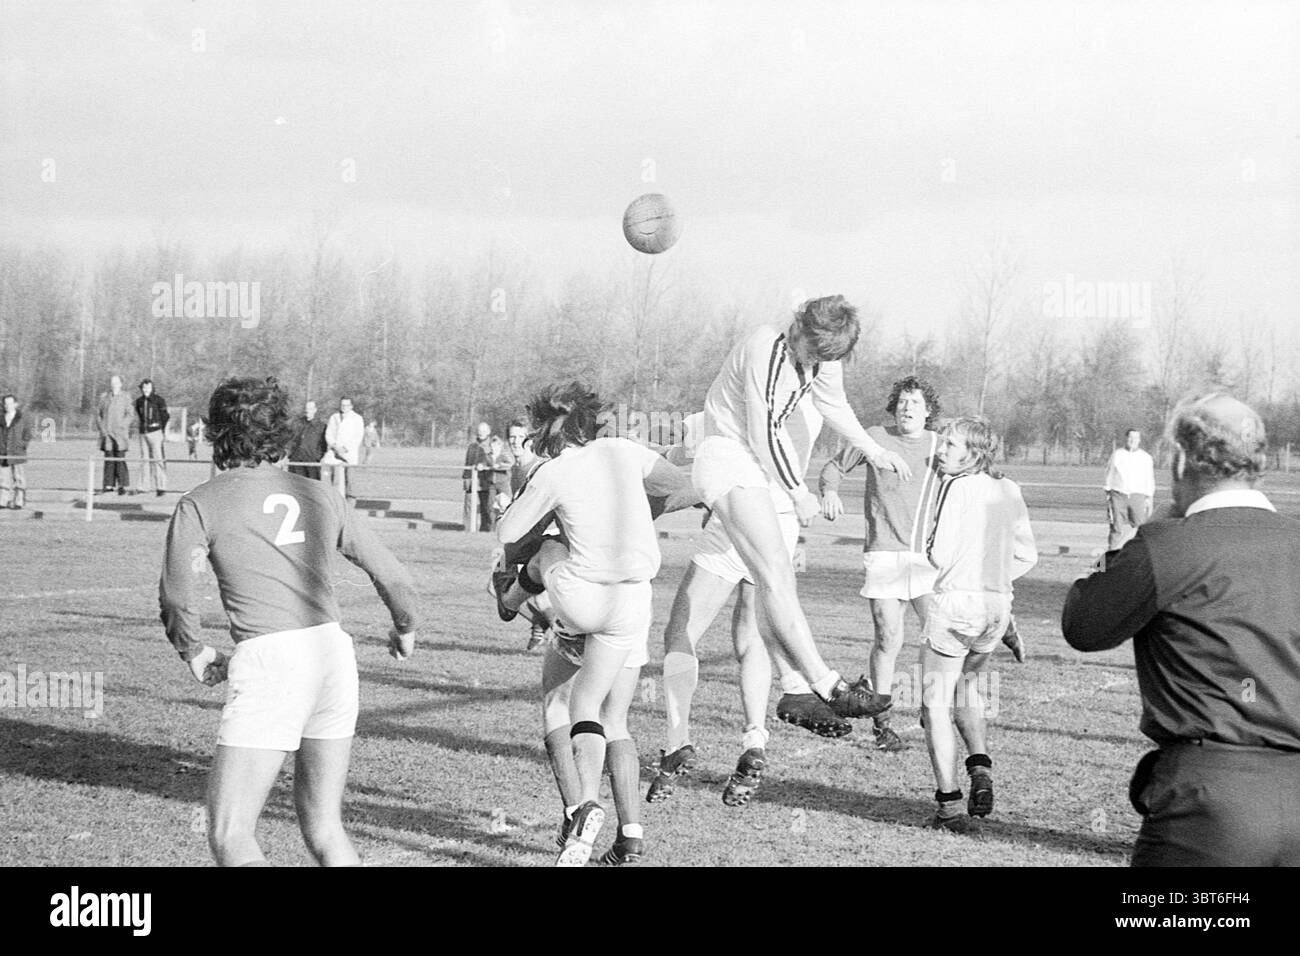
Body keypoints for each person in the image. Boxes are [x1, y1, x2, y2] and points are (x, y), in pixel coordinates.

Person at [158, 376, 420, 867]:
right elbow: (394, 577)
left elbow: (177, 598)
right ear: (279, 432)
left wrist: (193, 650)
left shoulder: (201, 501)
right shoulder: (321, 494)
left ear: (216, 432)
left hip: (272, 658)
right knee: (324, 828)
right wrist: (405, 627)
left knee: (230, 831)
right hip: (332, 656)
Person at [1063, 393, 1300, 866]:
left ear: (1181, 459)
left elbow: (1085, 625)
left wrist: (1156, 525)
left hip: (1211, 794)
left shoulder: (1169, 544)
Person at [494, 382, 695, 866]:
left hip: (584, 597)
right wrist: (635, 513)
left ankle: (581, 810)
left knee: (557, 704)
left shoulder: (554, 470)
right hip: (634, 598)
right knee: (615, 718)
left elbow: (508, 533)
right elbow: (684, 486)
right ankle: (630, 835)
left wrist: (538, 518)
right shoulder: (626, 450)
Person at [691, 295, 910, 730]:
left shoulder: (824, 357)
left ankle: (794, 688)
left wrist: (873, 449)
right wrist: (798, 490)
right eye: (810, 349)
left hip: (757, 466)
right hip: (729, 456)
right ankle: (829, 687)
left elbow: (833, 405)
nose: (812, 359)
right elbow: (764, 431)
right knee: (773, 571)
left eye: (823, 356)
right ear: (800, 327)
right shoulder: (766, 348)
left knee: (774, 581)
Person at [647, 404, 840, 810]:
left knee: (681, 632)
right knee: (751, 638)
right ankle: (754, 739)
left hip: (734, 524)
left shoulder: (728, 407)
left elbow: (673, 460)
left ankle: (676, 740)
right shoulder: (810, 412)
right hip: (780, 526)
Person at [922, 417, 1037, 832]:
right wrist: (994, 575)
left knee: (934, 704)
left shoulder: (955, 486)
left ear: (973, 453)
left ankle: (949, 804)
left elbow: (938, 553)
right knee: (969, 688)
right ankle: (980, 766)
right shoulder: (1009, 488)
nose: (941, 451)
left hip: (957, 604)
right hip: (996, 607)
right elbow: (1028, 555)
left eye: (951, 445)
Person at [819, 376, 944, 751]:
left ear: (928, 411)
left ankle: (931, 705)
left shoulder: (940, 445)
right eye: (903, 401)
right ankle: (883, 724)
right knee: (889, 638)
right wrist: (828, 492)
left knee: (939, 634)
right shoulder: (873, 437)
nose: (908, 408)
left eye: (916, 403)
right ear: (895, 406)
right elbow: (833, 469)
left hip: (927, 555)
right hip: (884, 553)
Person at [1103, 427, 1155, 550]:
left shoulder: (1145, 457)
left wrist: (1149, 497)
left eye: (1136, 438)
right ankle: (1112, 557)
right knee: (1116, 527)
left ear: (1139, 440)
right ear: (1126, 438)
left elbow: (1149, 478)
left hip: (1137, 495)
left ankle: (1139, 556)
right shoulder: (1117, 454)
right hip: (1118, 494)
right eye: (1130, 437)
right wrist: (1108, 492)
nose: (1133, 440)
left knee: (1140, 528)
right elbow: (1109, 474)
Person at [95, 374, 133, 495]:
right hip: (107, 434)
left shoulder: (126, 397)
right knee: (109, 459)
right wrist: (102, 429)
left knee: (120, 459)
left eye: (116, 383)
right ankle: (108, 485)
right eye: (112, 383)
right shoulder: (104, 397)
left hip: (120, 434)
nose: (114, 385)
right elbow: (98, 415)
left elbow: (130, 414)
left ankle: (122, 485)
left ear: (121, 384)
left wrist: (123, 425)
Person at [322, 397, 365, 499]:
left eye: (346, 405)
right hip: (335, 453)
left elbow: (358, 436)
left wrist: (345, 449)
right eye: (342, 405)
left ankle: (350, 505)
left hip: (349, 454)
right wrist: (334, 446)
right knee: (334, 480)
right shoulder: (334, 417)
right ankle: (336, 502)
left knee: (350, 480)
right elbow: (329, 434)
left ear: (351, 406)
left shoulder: (357, 418)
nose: (344, 407)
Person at [134, 379, 170, 497]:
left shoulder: (158, 400)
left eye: (148, 388)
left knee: (158, 459)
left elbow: (165, 416)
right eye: (144, 388)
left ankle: (161, 486)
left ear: (152, 388)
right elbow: (140, 415)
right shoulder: (139, 401)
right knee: (144, 459)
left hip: (155, 432)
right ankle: (144, 486)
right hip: (143, 433)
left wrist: (161, 428)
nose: (146, 390)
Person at [0, 394, 33, 510]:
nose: (7, 406)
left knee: (19, 478)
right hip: (3, 453)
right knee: (3, 479)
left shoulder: (22, 418)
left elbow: (27, 434)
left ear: (15, 404)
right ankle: (3, 501)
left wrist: (22, 445)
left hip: (17, 453)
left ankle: (19, 501)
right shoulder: (1, 418)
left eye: (10, 403)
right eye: (5, 403)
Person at [463, 422, 496, 532]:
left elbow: (495, 462)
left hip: (485, 481)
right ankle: (467, 529)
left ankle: (485, 530)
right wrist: (466, 479)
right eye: (479, 431)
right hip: (472, 481)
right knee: (469, 506)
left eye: (483, 431)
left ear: (488, 432)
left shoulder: (493, 445)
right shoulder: (472, 446)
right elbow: (467, 463)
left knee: (486, 507)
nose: (480, 433)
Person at [288, 400, 328, 480]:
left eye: (310, 408)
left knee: (312, 486)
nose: (307, 411)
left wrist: (318, 456)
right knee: (296, 486)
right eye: (306, 408)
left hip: (312, 461)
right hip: (296, 460)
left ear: (315, 410)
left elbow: (324, 444)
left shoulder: (321, 426)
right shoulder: (297, 423)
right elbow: (290, 439)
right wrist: (291, 454)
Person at [506, 418, 539, 496]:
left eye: (521, 437)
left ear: (530, 441)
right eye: (512, 437)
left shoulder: (536, 469)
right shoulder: (514, 469)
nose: (516, 442)